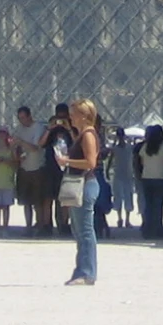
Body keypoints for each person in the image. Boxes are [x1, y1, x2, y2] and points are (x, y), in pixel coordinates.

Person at [63, 97, 103, 285]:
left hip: (85, 184)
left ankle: (87, 272)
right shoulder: (81, 134)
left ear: (84, 115)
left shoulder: (88, 134)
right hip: (81, 183)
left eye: (74, 114)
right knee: (79, 231)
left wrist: (67, 161)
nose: (70, 117)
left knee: (85, 231)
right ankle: (82, 270)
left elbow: (90, 162)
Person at [12, 106, 52, 236]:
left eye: (23, 118)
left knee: (38, 200)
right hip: (24, 168)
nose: (21, 121)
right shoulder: (19, 129)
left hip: (37, 168)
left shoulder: (38, 128)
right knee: (25, 200)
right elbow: (15, 146)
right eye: (19, 118)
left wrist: (21, 142)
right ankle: (28, 226)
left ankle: (40, 225)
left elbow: (35, 148)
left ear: (30, 116)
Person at [136, 124, 163, 239]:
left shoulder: (145, 146)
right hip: (161, 178)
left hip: (147, 178)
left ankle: (147, 230)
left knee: (148, 206)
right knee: (158, 206)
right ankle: (157, 230)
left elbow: (141, 162)